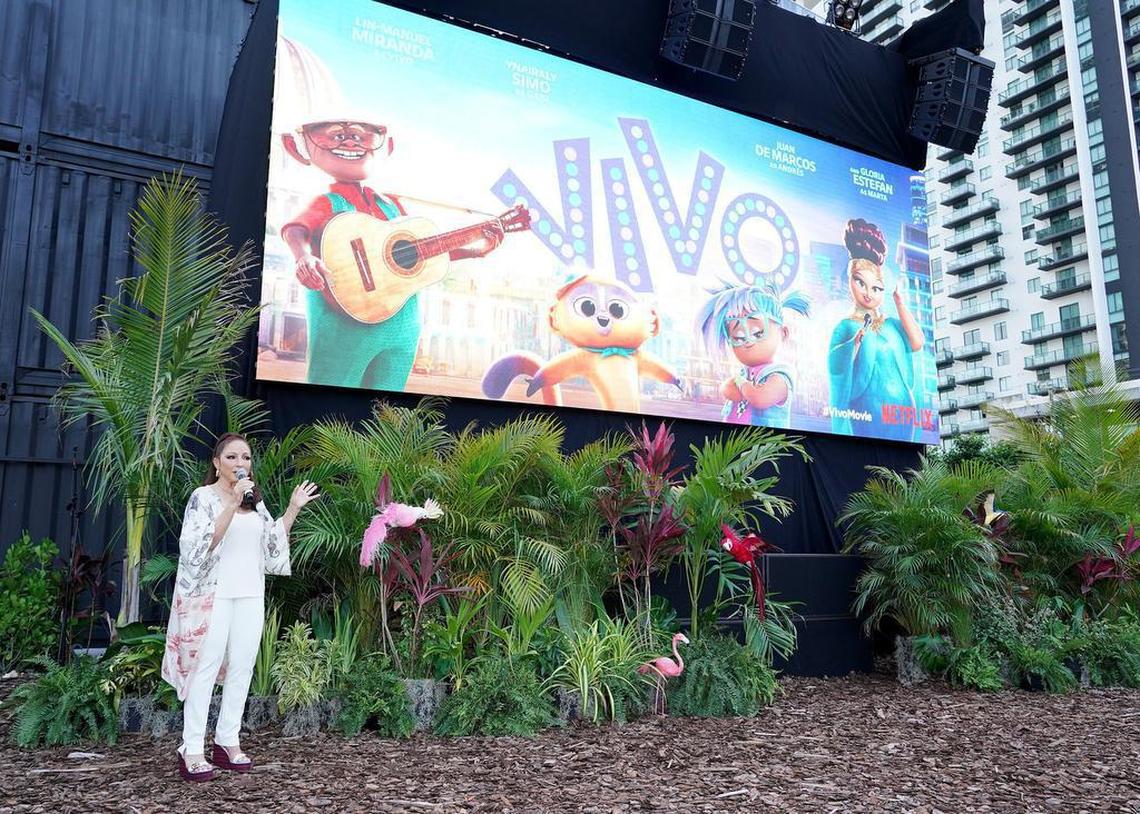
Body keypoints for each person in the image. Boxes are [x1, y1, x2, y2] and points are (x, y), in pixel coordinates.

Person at [279, 116, 505, 391]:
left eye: (364, 137)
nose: (351, 142)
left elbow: (422, 252)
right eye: (336, 136)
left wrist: (473, 252)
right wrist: (303, 256)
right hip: (345, 326)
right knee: (331, 406)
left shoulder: (392, 205)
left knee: (388, 411)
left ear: (385, 146)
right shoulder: (329, 202)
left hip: (401, 327)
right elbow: (296, 229)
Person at [161, 432, 320, 782]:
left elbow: (271, 545)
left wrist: (292, 508)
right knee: (206, 668)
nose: (240, 464)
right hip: (213, 597)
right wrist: (232, 503)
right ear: (217, 463)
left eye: (245, 458)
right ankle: (192, 748)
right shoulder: (203, 498)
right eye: (232, 458)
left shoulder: (255, 502)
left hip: (249, 594)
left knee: (243, 667)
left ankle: (227, 740)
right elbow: (197, 548)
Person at [827, 219, 925, 441]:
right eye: (860, 283)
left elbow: (917, 343)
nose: (868, 293)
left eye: (876, 288)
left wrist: (899, 301)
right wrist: (854, 344)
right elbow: (836, 368)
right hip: (865, 413)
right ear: (850, 280)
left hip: (901, 414)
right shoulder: (846, 326)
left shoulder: (891, 324)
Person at [696, 281, 811, 428]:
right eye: (739, 337)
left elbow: (760, 398)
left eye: (758, 333)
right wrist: (738, 386)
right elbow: (728, 390)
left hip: (764, 448)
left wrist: (741, 383)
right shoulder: (744, 373)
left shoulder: (780, 375)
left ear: (783, 333)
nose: (748, 342)